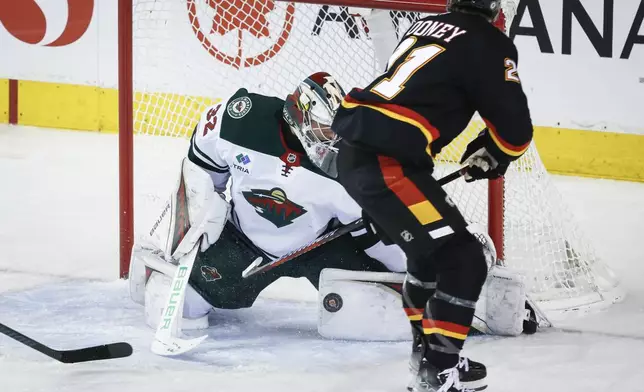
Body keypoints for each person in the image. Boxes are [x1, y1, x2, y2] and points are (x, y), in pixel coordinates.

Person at [331, 0, 535, 390]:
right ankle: (438, 370)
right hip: (388, 164)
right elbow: (514, 129)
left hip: (362, 154)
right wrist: (495, 152)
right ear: (493, 8)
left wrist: (488, 149)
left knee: (429, 258)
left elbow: (426, 90)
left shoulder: (422, 26)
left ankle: (429, 359)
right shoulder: (489, 42)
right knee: (464, 260)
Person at [127, 72, 410, 341]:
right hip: (244, 242)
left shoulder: (349, 163)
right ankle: (163, 271)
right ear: (300, 116)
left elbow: (373, 233)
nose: (330, 139)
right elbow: (198, 177)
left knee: (383, 311)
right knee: (182, 306)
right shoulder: (240, 120)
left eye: (334, 130)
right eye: (323, 129)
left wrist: (410, 270)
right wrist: (197, 225)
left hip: (321, 246)